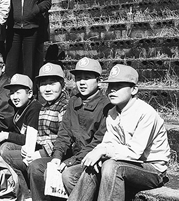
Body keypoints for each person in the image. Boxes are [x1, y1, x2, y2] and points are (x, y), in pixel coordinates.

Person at [68, 64, 171, 201]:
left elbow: (135, 153)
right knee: (77, 171)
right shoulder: (112, 112)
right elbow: (108, 142)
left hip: (151, 169)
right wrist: (100, 151)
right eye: (110, 86)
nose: (112, 90)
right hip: (123, 163)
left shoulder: (145, 113)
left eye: (119, 86)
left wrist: (104, 152)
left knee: (111, 166)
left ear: (133, 89)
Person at [28, 57, 112, 200]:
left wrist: (70, 161)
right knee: (37, 167)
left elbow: (98, 142)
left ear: (98, 80)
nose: (82, 82)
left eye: (87, 78)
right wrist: (57, 156)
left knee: (67, 174)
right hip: (73, 156)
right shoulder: (74, 101)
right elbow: (64, 132)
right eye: (78, 78)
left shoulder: (106, 106)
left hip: (92, 160)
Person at [3, 63, 68, 198]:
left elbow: (64, 138)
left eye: (52, 84)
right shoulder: (44, 107)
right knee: (7, 156)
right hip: (43, 150)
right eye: (43, 84)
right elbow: (41, 135)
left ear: (63, 85)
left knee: (35, 165)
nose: (47, 89)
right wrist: (28, 148)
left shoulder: (64, 107)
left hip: (61, 154)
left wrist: (39, 153)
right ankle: (25, 195)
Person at [5, 0, 51, 80]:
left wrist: (34, 10)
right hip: (13, 28)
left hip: (32, 28)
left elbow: (46, 1)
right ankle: (9, 92)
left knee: (29, 63)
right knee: (11, 63)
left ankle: (30, 91)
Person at [0, 73, 42, 156]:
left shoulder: (35, 108)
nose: (14, 97)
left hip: (34, 149)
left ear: (29, 94)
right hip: (23, 144)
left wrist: (7, 135)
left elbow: (31, 139)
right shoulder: (19, 107)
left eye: (18, 92)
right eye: (11, 93)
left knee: (6, 147)